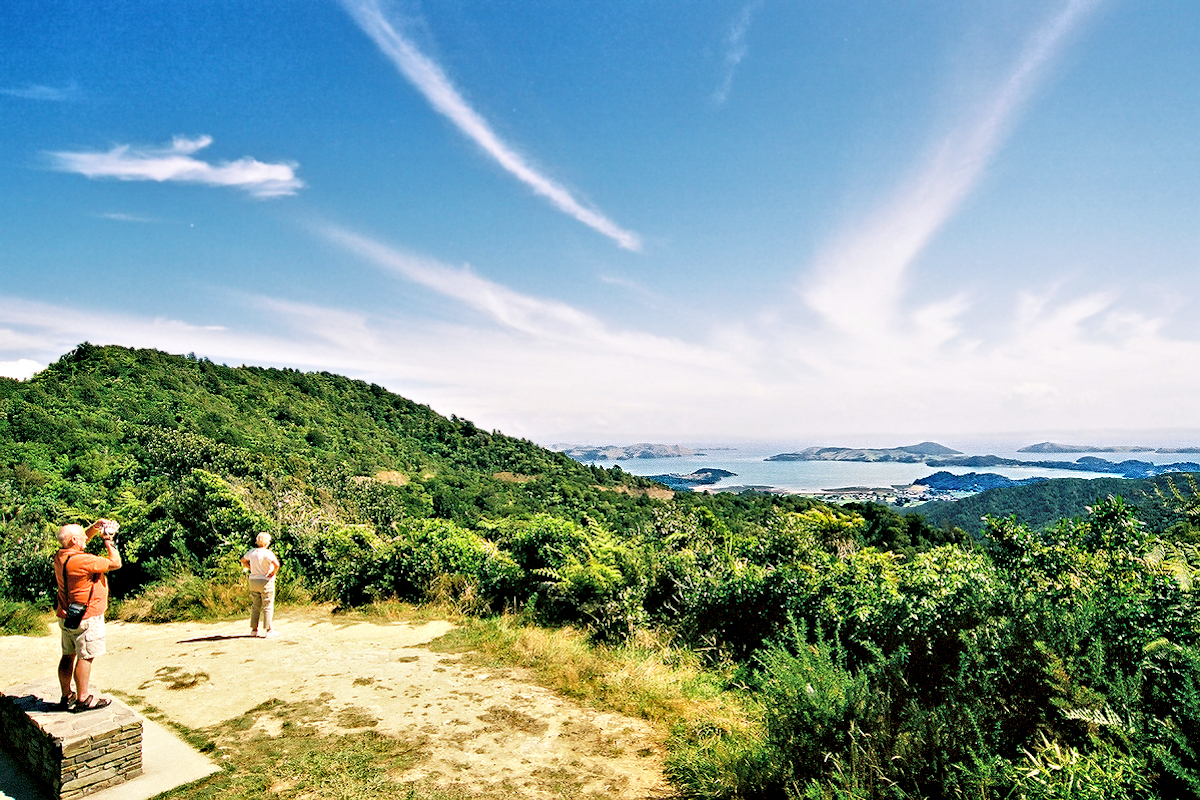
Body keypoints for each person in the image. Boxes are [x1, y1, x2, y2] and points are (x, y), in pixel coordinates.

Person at [54, 519, 121, 712]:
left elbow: (80, 539)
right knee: (86, 656)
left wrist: (94, 527)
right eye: (82, 536)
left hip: (66, 614)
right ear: (74, 540)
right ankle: (83, 699)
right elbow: (115, 563)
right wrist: (108, 539)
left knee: (68, 655)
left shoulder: (60, 556)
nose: (86, 537)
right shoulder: (84, 561)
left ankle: (66, 695)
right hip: (87, 616)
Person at [241, 533, 281, 638]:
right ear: (267, 542)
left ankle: (254, 629)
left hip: (253, 580)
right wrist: (273, 573)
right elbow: (276, 564)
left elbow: (243, 560)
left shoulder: (252, 552)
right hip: (265, 580)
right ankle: (269, 629)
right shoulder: (268, 553)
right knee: (267, 604)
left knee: (255, 605)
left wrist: (250, 567)